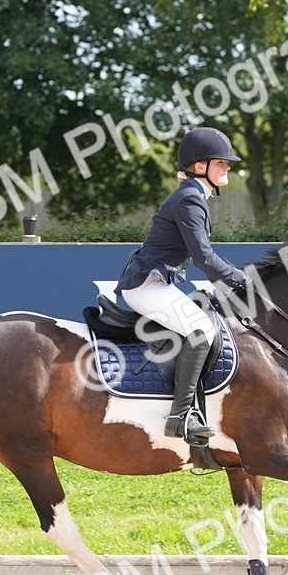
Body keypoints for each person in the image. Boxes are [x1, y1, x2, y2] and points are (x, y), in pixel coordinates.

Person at [114, 127, 249, 446]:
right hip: (146, 286)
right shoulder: (190, 197)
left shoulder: (194, 194)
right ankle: (181, 416)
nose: (227, 166)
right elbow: (203, 256)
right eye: (221, 162)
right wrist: (240, 280)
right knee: (202, 329)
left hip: (154, 282)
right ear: (199, 166)